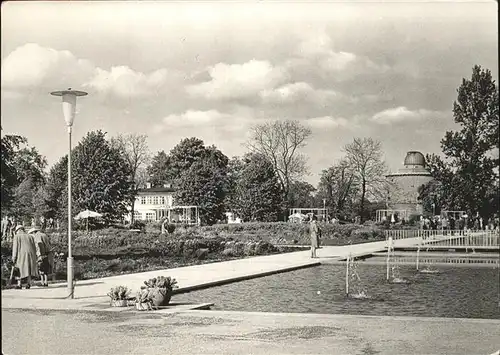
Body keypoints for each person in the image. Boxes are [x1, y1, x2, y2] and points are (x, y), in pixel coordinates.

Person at [12, 225, 38, 289]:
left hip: (21, 254)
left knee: (18, 269)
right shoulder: (30, 236)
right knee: (28, 269)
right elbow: (34, 247)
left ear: (18, 230)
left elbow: (15, 248)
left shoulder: (17, 236)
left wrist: (14, 258)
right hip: (31, 254)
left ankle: (19, 284)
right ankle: (28, 283)